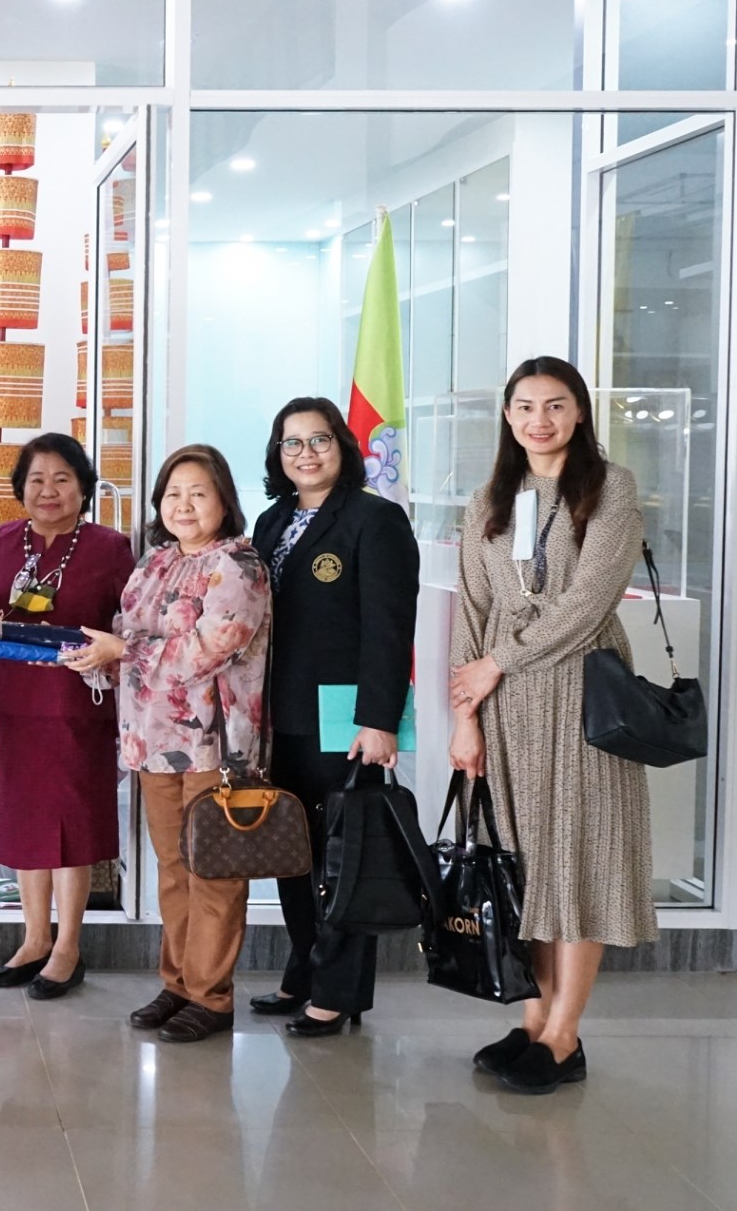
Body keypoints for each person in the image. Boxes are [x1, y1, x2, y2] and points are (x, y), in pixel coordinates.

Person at [449, 356, 656, 1095]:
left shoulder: (610, 487)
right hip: (504, 706)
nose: (540, 419)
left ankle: (564, 1036)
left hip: (581, 695)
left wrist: (499, 661)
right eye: (526, 406)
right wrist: (465, 714)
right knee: (521, 865)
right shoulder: (488, 499)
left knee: (580, 857)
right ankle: (532, 1021)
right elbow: (471, 608)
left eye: (556, 405)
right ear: (508, 416)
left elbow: (590, 600)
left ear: (580, 412)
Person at [65, 444, 270, 1044]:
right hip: (152, 740)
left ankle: (212, 996)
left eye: (198, 493)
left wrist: (121, 650)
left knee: (214, 872)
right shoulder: (155, 561)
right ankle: (178, 984)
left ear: (224, 501)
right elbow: (125, 633)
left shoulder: (239, 566)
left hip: (215, 746)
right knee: (174, 869)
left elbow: (207, 650)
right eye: (173, 494)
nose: (184, 505)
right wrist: (95, 656)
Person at [247, 397, 419, 1037]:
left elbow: (389, 628)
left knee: (344, 860)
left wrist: (379, 719)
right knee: (293, 851)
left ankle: (338, 992)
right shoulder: (271, 521)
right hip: (279, 716)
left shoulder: (375, 520)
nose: (306, 453)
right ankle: (303, 972)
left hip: (345, 721)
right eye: (292, 443)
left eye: (319, 440)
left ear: (342, 446)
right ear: (278, 455)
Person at [0, 433, 133, 1000]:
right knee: (25, 821)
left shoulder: (111, 547)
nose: (48, 491)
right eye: (36, 480)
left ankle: (68, 947)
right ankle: (33, 940)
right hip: (14, 705)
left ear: (84, 487)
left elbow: (131, 633)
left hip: (81, 708)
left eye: (61, 479)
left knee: (72, 822)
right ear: (20, 488)